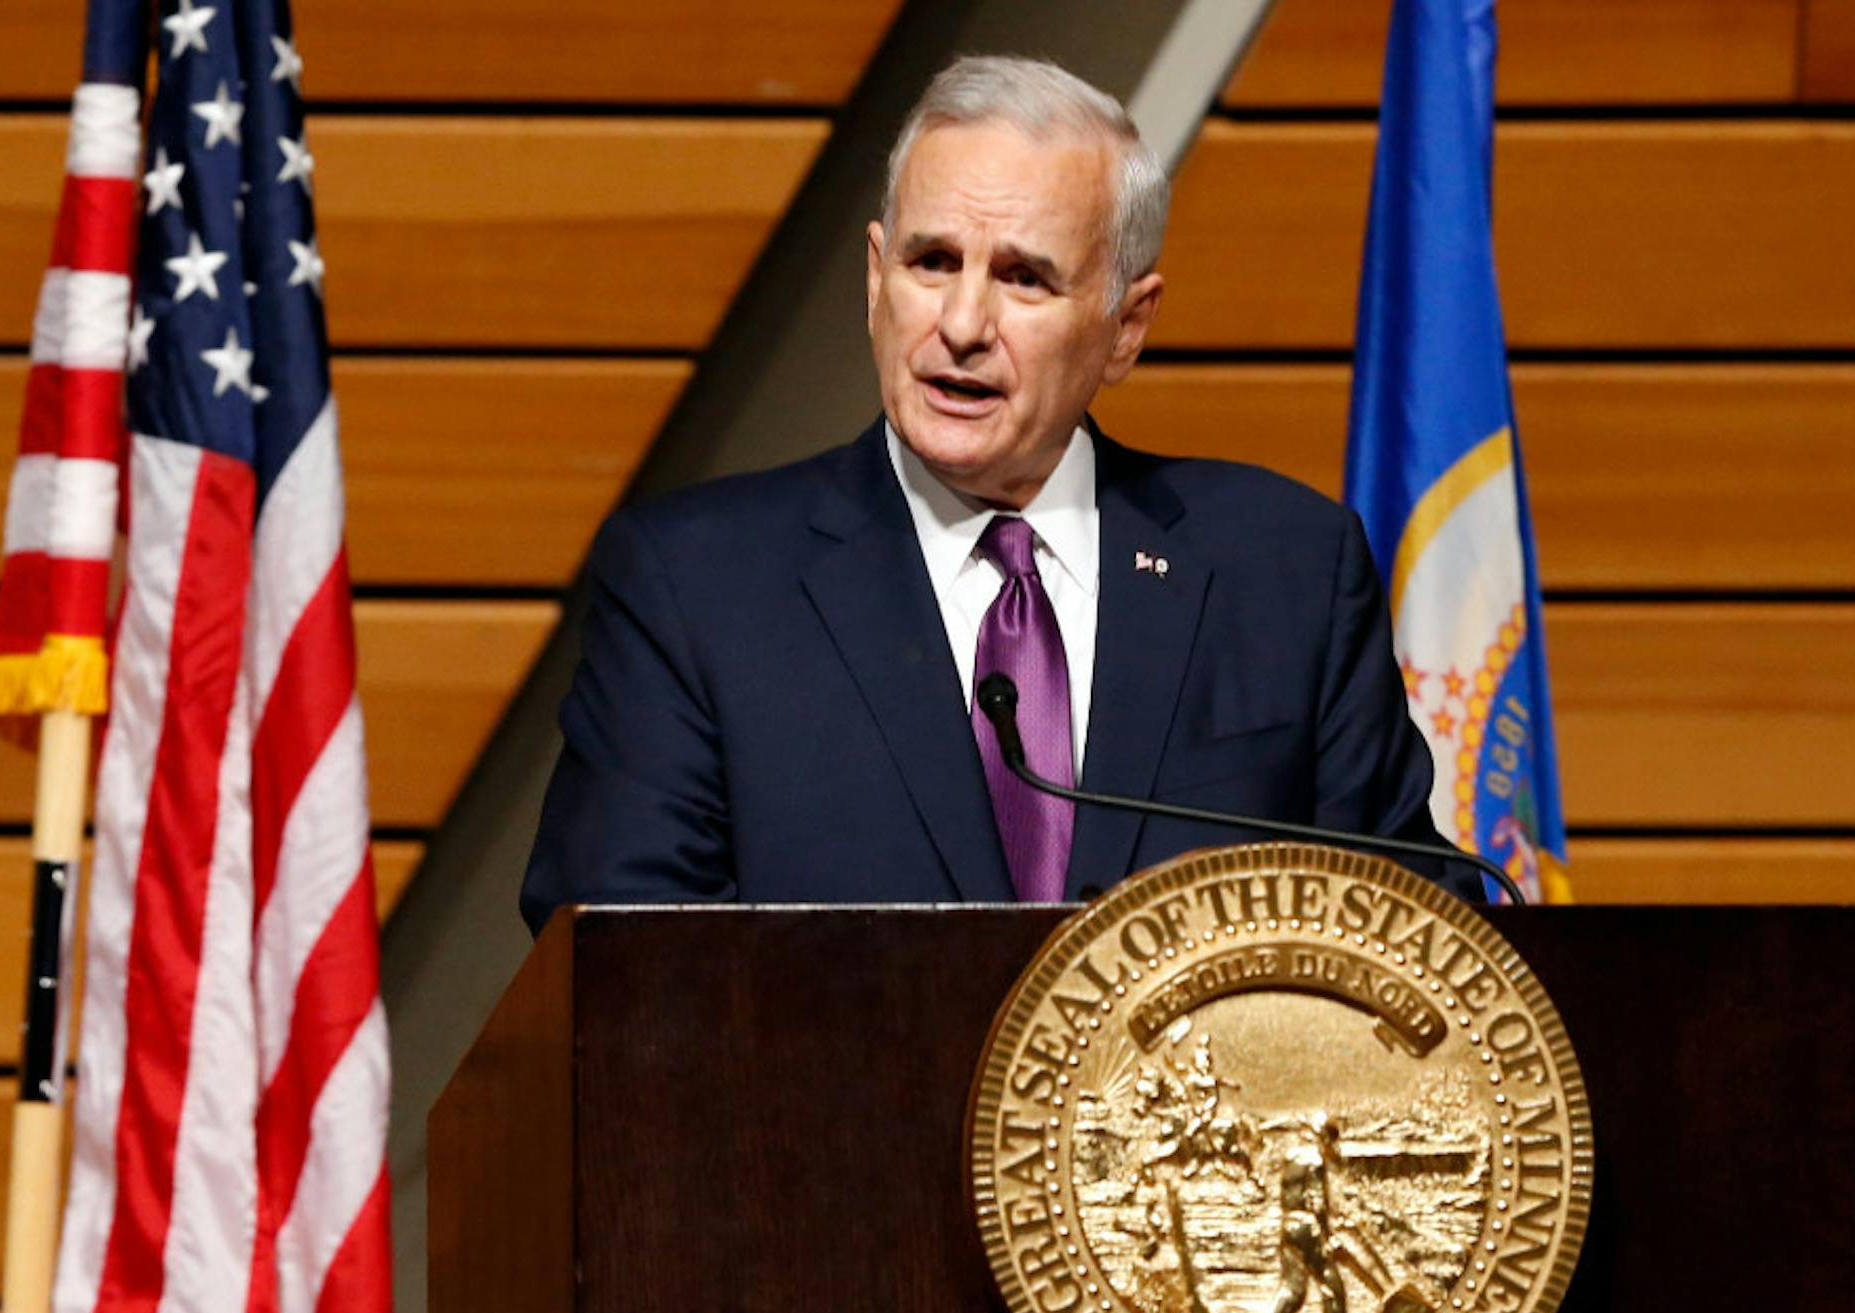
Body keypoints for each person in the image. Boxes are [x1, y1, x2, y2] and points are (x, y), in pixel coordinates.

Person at [521, 56, 1470, 934]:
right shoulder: (696, 587)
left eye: (1023, 278)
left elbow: (1415, 937)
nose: (963, 324)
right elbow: (617, 976)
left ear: (1125, 325)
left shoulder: (1287, 572)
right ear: (874, 279)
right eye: (932, 262)